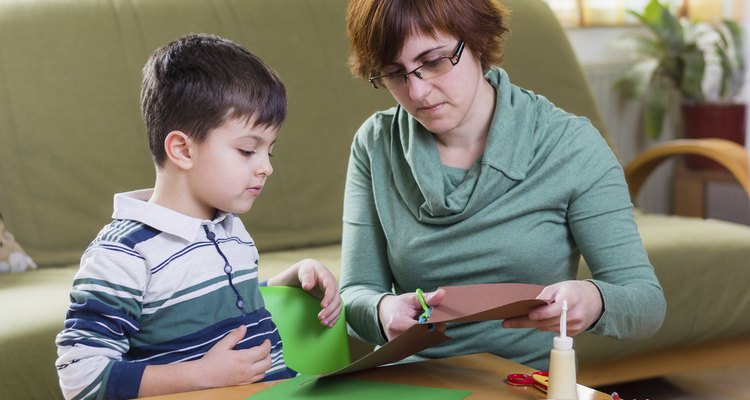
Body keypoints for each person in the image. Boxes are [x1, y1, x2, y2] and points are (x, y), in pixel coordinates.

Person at [340, 0, 666, 370]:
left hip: (521, 384)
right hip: (411, 381)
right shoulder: (376, 143)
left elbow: (646, 304)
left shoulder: (569, 145)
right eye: (394, 73)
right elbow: (354, 294)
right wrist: (381, 310)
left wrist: (595, 301)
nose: (417, 92)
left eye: (433, 62)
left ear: (477, 40)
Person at [55, 33, 342, 399]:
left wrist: (289, 279)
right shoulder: (124, 254)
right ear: (182, 150)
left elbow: (208, 306)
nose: (265, 168)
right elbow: (80, 376)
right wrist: (201, 375)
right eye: (247, 150)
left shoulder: (229, 228)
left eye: (270, 152)